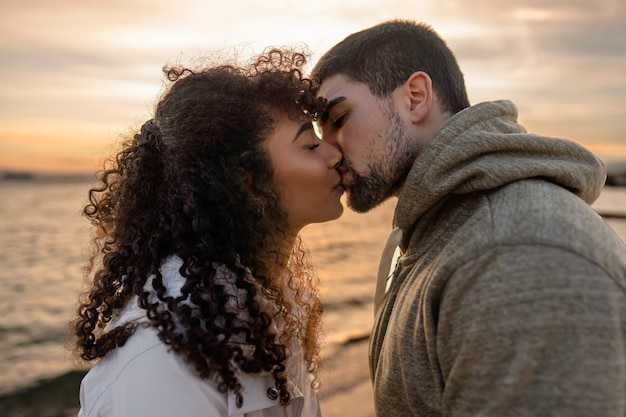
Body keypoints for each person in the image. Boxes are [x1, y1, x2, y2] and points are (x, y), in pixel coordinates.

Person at [311, 19, 626, 417]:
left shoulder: (516, 255)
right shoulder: (432, 232)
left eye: (339, 120)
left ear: (415, 97)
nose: (331, 153)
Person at [71, 48, 344, 417]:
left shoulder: (263, 303)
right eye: (309, 145)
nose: (334, 154)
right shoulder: (166, 356)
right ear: (246, 182)